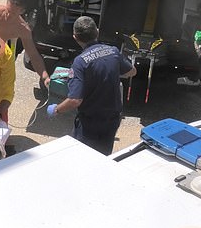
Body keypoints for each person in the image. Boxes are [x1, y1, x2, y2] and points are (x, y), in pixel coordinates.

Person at [47, 16, 136, 155]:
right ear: (97, 32)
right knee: (103, 157)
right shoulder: (113, 51)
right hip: (112, 120)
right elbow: (131, 71)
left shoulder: (80, 63)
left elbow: (75, 100)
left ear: (75, 37)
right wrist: (110, 71)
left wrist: (56, 110)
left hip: (90, 124)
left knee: (84, 159)